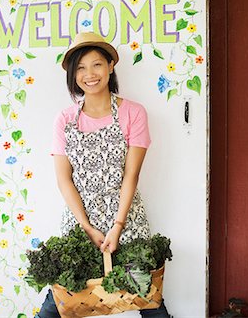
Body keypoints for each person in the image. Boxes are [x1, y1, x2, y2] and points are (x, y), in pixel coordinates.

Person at [36, 31, 170, 318]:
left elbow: (130, 177)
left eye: (96, 64)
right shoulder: (65, 119)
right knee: (59, 304)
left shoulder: (133, 113)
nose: (89, 74)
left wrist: (118, 226)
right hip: (79, 222)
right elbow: (64, 180)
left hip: (127, 219)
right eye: (80, 68)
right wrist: (87, 227)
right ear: (73, 75)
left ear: (110, 66)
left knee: (148, 298)